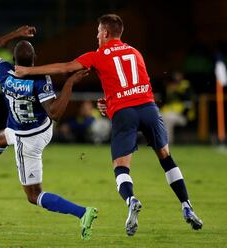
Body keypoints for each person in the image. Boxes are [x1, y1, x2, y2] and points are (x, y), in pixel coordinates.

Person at [15, 14, 203, 236]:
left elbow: (66, 67)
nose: (96, 36)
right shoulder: (135, 52)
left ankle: (131, 199)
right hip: (149, 109)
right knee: (166, 158)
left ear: (105, 33)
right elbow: (134, 84)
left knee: (121, 166)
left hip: (125, 114)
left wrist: (27, 71)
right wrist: (110, 101)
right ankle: (187, 206)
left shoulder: (97, 55)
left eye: (97, 32)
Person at [0, 26, 98, 240]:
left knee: (34, 195)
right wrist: (70, 83)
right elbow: (53, 113)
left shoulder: (4, 71)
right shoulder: (39, 79)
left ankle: (83, 213)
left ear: (14, 59)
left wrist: (15, 34)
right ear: (34, 58)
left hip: (27, 140)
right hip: (41, 128)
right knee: (2, 136)